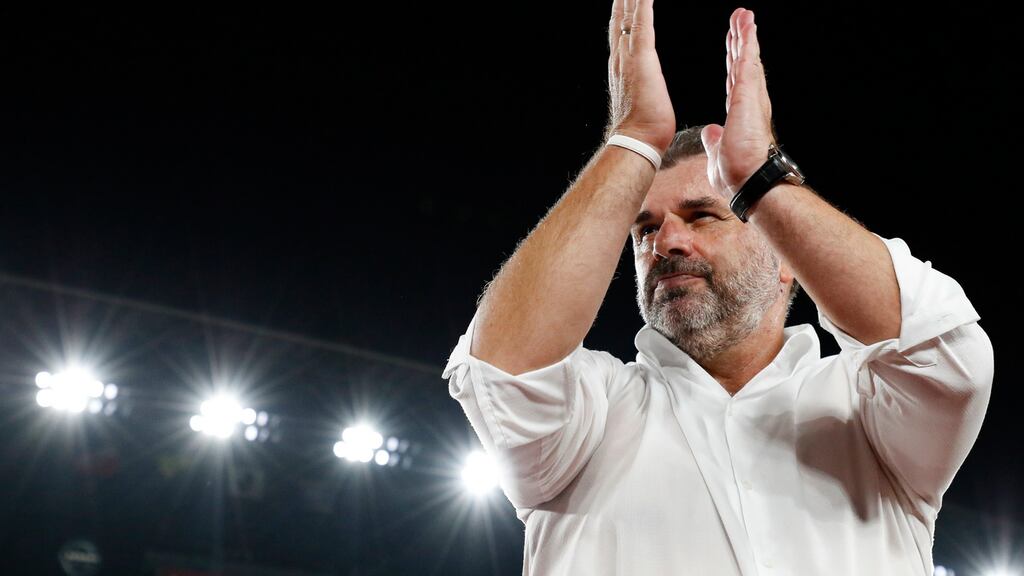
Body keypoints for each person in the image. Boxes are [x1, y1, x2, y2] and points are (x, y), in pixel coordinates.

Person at [442, 3, 993, 575]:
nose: (665, 242)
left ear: (787, 258)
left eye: (703, 215)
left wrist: (761, 179)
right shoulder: (591, 412)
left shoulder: (868, 412)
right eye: (644, 229)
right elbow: (500, 370)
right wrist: (632, 139)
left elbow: (948, 356)